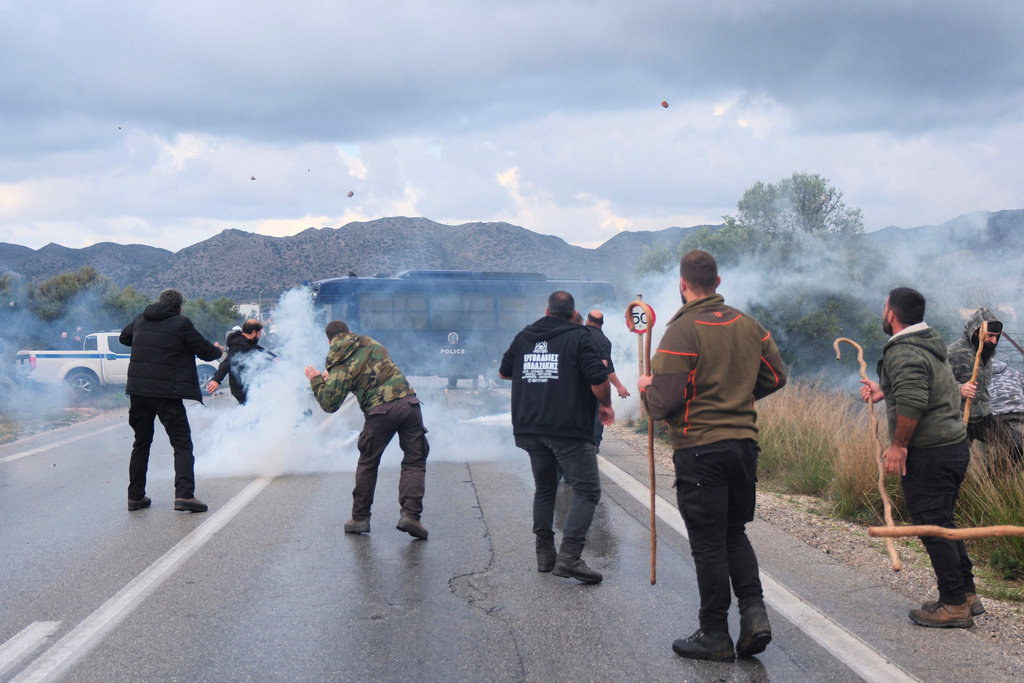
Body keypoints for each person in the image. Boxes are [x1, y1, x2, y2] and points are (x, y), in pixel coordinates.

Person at [639, 249, 787, 662]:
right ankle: (754, 613)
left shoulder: (682, 330)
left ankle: (714, 633)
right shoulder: (749, 324)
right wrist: (737, 396)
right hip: (744, 446)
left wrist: (648, 388)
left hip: (701, 449)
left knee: (707, 544)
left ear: (682, 285)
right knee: (733, 533)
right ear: (717, 283)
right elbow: (776, 376)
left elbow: (664, 401)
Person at [860, 287, 980, 629]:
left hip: (930, 453)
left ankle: (954, 605)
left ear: (891, 314)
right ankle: (966, 594)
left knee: (931, 526)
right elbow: (930, 386)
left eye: (884, 308)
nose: (883, 313)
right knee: (944, 522)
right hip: (953, 447)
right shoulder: (928, 341)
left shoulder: (903, 353)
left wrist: (898, 446)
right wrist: (885, 390)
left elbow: (913, 400)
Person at [499, 291, 614, 584]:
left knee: (545, 489)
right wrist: (606, 405)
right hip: (566, 427)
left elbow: (505, 373)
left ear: (547, 311)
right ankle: (570, 557)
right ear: (574, 313)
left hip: (528, 426)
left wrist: (537, 374)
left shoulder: (525, 335)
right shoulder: (580, 336)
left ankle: (545, 554)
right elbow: (598, 378)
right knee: (587, 490)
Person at [305, 320, 430, 539]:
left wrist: (316, 380)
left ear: (329, 341)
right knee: (414, 461)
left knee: (368, 464)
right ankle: (411, 515)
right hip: (409, 404)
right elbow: (366, 363)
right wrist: (331, 373)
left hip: (380, 411)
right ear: (349, 331)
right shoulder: (370, 341)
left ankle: (360, 518)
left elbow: (329, 403)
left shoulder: (339, 363)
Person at [120, 288, 223, 513]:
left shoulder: (140, 319)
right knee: (182, 443)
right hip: (166, 393)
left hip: (138, 393)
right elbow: (205, 351)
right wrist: (218, 351)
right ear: (179, 307)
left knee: (141, 443)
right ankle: (184, 495)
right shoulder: (181, 323)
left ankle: (135, 497)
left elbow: (124, 336)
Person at [947, 308, 1024, 465]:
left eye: (997, 337)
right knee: (955, 465)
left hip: (984, 417)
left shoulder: (987, 353)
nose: (994, 341)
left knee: (1017, 446)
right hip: (958, 418)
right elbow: (934, 384)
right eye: (990, 336)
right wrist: (959, 389)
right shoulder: (952, 353)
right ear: (976, 332)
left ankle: (992, 480)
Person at [584, 310, 630, 451]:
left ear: (587, 320)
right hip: (596, 383)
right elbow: (607, 368)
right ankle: (594, 444)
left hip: (576, 383)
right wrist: (619, 386)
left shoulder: (578, 334)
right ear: (602, 324)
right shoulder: (604, 341)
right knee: (598, 410)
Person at [207, 318, 275, 404]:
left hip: (246, 388)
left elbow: (257, 349)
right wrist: (216, 380)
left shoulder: (244, 341)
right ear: (254, 332)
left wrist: (273, 357)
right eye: (259, 333)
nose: (260, 336)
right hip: (242, 389)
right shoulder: (240, 345)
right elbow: (228, 361)